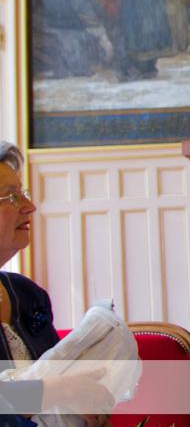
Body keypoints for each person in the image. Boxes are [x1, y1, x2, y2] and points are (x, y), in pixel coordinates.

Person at [0, 141, 115, 426]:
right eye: (12, 197)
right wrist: (56, 390)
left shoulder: (27, 294)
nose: (30, 207)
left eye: (23, 194)